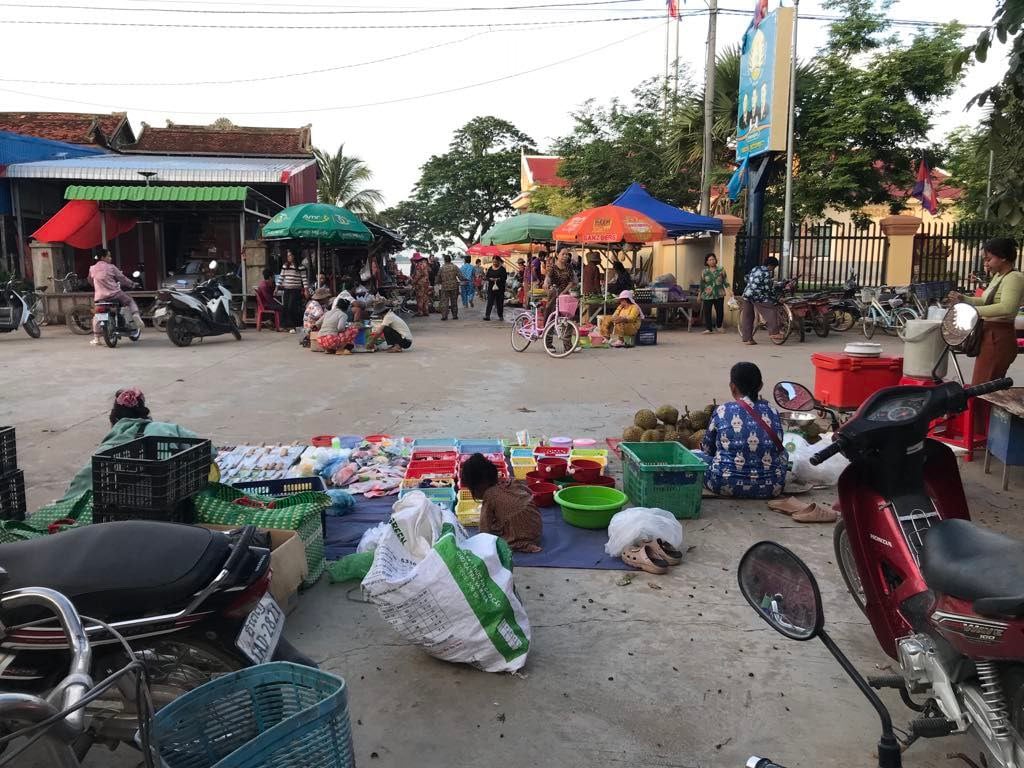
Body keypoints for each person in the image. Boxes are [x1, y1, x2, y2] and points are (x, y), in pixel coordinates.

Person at [59, 388, 206, 500]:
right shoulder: (168, 429)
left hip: (115, 512)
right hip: (173, 499)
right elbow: (207, 451)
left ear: (114, 419)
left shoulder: (104, 450)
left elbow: (73, 494)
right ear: (145, 413)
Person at [692, 362, 788, 500]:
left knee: (694, 455)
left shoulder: (722, 410)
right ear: (760, 386)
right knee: (783, 454)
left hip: (723, 484)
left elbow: (708, 449)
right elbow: (778, 448)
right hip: (772, 487)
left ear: (732, 387)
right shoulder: (772, 411)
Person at [949, 237, 1023, 384]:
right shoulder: (998, 276)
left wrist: (973, 311)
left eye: (989, 259)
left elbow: (1007, 308)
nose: (986, 264)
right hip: (988, 333)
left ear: (1003, 257)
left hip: (999, 336)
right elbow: (984, 300)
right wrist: (963, 299)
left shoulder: (1014, 278)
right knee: (984, 383)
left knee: (983, 385)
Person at [460, 453, 542, 553]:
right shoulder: (511, 481)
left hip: (521, 534)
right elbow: (529, 493)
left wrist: (481, 543)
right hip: (536, 526)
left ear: (478, 487)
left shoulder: (490, 495)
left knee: (497, 540)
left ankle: (522, 543)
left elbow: (484, 529)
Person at [88, 249, 142, 346]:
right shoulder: (111, 267)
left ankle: (96, 338)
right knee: (130, 301)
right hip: (115, 294)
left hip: (100, 297)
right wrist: (132, 284)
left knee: (97, 315)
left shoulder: (92, 268)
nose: (110, 258)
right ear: (102, 257)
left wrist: (96, 286)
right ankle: (136, 315)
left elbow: (90, 280)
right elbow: (122, 278)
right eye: (108, 256)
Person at [740, 257, 781, 345]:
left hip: (747, 294)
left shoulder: (755, 268)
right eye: (774, 267)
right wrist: (774, 298)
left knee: (747, 316)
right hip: (757, 296)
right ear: (770, 265)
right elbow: (768, 288)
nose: (773, 269)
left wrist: (752, 285)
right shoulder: (766, 273)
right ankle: (774, 332)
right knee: (771, 309)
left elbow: (746, 278)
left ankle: (748, 339)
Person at [543, 249, 578, 323]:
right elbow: (547, 279)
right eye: (563, 254)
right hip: (554, 294)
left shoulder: (569, 267)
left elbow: (571, 282)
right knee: (551, 312)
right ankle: (548, 328)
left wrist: (563, 292)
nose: (565, 256)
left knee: (564, 315)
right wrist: (546, 284)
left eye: (567, 254)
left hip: (565, 294)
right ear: (557, 254)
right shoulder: (552, 267)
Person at [278, 250, 308, 330]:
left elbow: (304, 279)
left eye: (290, 255)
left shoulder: (301, 267)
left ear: (294, 256)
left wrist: (306, 290)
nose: (288, 257)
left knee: (292, 307)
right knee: (285, 307)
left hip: (296, 290)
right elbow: (281, 277)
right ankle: (285, 325)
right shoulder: (285, 266)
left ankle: (293, 325)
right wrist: (276, 288)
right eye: (288, 256)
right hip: (287, 289)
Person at [700, 253, 730, 334]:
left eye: (713, 259)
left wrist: (730, 291)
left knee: (720, 311)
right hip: (707, 294)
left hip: (719, 293)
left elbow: (725, 281)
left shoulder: (721, 269)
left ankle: (719, 326)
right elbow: (702, 284)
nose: (712, 261)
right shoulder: (704, 272)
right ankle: (709, 329)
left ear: (716, 260)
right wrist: (699, 295)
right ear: (707, 262)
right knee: (707, 311)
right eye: (710, 260)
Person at [438, 254, 463, 321]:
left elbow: (438, 278)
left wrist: (440, 282)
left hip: (445, 287)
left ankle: (444, 316)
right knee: (454, 301)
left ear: (444, 260)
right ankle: (454, 315)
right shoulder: (455, 267)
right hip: (454, 286)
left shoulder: (441, 268)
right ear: (450, 260)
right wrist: (464, 280)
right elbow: (460, 276)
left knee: (444, 302)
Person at [484, 255, 508, 321]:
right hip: (491, 288)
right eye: (493, 262)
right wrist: (490, 279)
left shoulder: (502, 269)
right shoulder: (490, 268)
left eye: (496, 262)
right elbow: (487, 277)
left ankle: (500, 316)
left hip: (500, 288)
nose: (494, 263)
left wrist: (498, 279)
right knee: (490, 301)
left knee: (499, 302)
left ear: (499, 261)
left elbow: (505, 278)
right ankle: (487, 315)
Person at [410, 252, 431, 316]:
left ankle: (420, 312)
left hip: (420, 284)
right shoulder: (426, 264)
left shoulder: (419, 265)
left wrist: (413, 282)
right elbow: (429, 271)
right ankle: (426, 311)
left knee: (420, 298)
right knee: (426, 297)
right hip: (426, 283)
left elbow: (418, 276)